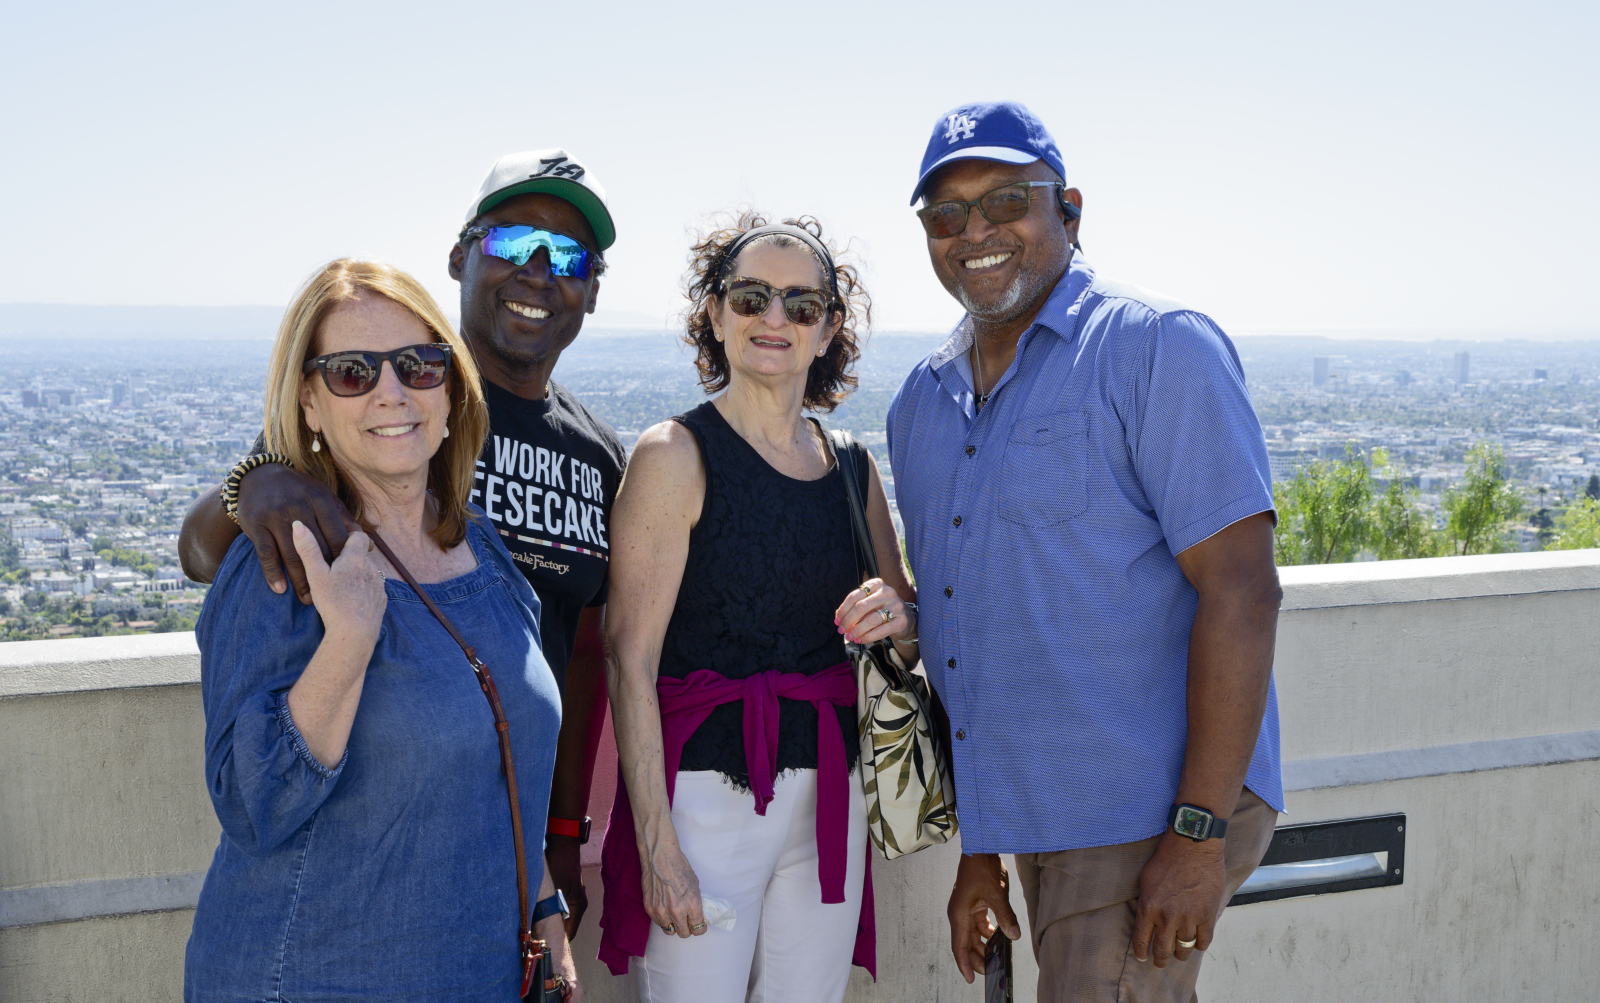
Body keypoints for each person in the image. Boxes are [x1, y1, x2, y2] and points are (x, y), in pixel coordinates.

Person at [886, 102, 1285, 1002]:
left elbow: (1242, 592)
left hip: (1147, 812)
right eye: (946, 215)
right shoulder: (921, 404)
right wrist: (981, 848)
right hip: (1041, 816)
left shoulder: (1154, 346)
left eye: (1005, 202)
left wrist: (1195, 834)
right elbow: (965, 633)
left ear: (1068, 209)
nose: (975, 231)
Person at [179, 149, 626, 935]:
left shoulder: (597, 453)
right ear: (460, 256)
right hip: (363, 862)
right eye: (513, 243)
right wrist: (256, 479)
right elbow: (205, 553)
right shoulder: (382, 406)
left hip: (503, 844)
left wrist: (557, 843)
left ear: (591, 288)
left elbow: (580, 650)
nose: (538, 272)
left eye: (567, 257)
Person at [598, 215, 911, 1002]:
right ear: (715, 312)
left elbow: (906, 636)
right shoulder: (674, 454)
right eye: (751, 297)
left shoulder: (853, 471)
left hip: (829, 800)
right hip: (704, 801)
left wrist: (901, 618)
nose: (775, 319)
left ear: (829, 327)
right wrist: (656, 844)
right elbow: (627, 658)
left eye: (801, 305)